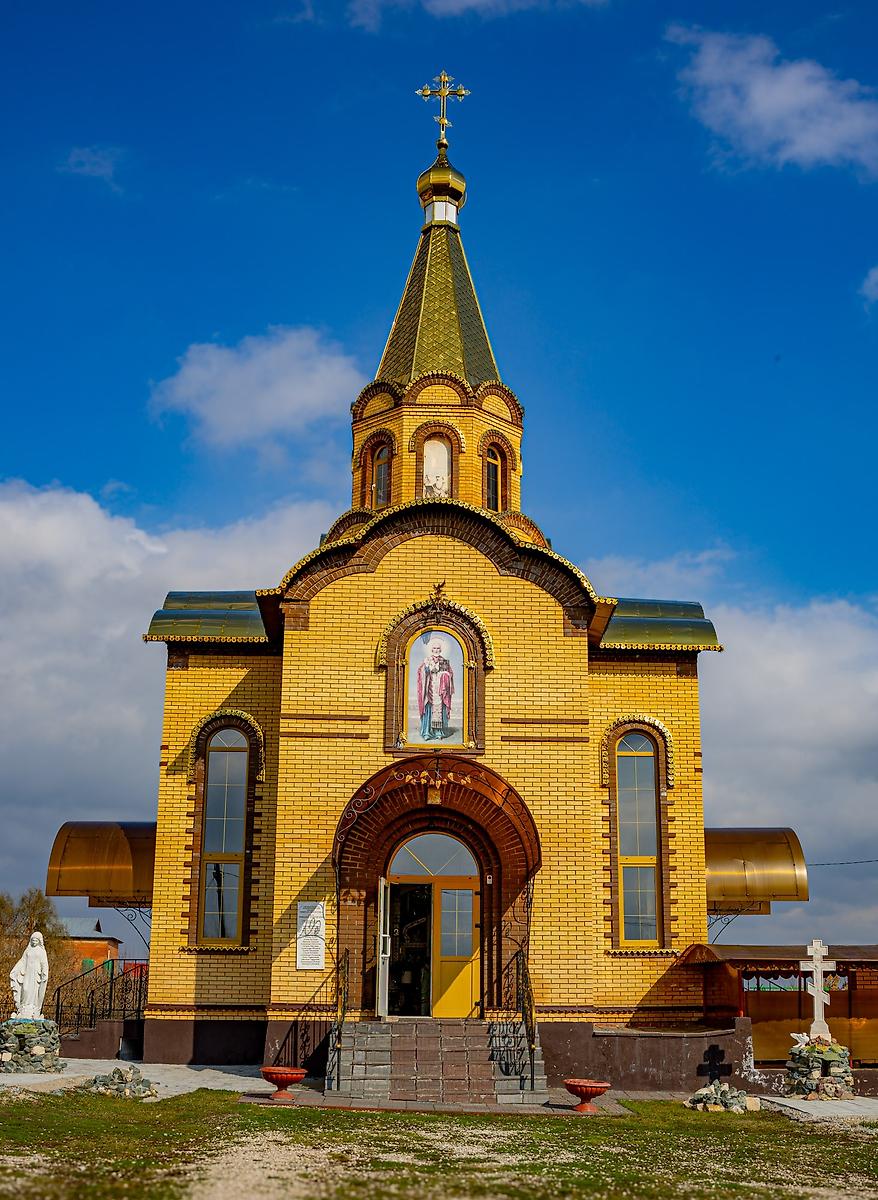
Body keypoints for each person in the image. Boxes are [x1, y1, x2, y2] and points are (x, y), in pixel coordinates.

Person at [416, 636, 454, 740]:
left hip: (440, 691)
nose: (436, 650)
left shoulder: (444, 661)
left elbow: (450, 674)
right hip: (429, 689)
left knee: (439, 710)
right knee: (429, 708)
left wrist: (445, 675)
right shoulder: (427, 660)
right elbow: (421, 673)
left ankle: (439, 732)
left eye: (438, 648)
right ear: (431, 650)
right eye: (434, 648)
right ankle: (427, 732)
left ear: (441, 650)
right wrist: (426, 669)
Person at [10, 931, 49, 1020]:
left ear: (39, 941)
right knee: (25, 989)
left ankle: (33, 1009)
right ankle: (23, 1008)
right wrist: (15, 970)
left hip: (36, 976)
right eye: (33, 940)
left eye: (36, 940)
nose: (34, 942)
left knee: (34, 992)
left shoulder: (42, 952)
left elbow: (44, 964)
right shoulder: (28, 950)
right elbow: (22, 961)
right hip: (27, 973)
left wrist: (45, 973)